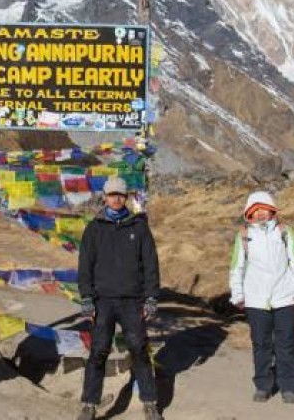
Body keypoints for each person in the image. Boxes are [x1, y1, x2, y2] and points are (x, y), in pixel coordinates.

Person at [76, 177, 162, 420]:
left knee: (139, 349)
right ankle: (89, 404)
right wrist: (86, 298)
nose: (116, 198)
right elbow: (85, 266)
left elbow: (151, 264)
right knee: (98, 351)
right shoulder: (94, 228)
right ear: (104, 196)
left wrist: (151, 297)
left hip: (132, 301)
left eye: (121, 195)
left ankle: (150, 402)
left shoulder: (139, 227)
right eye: (112, 194)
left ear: (127, 198)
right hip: (102, 301)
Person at [227, 191, 294, 404]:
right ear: (249, 214)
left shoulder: (284, 232)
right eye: (255, 211)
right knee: (261, 343)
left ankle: (288, 386)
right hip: (256, 300)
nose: (261, 214)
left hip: (285, 297)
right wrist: (237, 293)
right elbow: (237, 267)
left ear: (272, 210)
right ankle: (263, 385)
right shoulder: (244, 236)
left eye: (264, 209)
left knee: (286, 343)